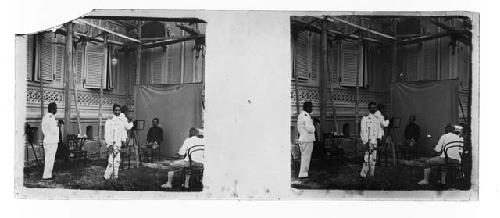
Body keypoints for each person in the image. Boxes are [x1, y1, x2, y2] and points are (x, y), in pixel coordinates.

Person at [359, 101, 389, 178]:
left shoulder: (377, 119)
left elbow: (379, 130)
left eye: (374, 107)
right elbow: (363, 131)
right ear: (369, 108)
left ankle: (372, 173)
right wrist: (365, 142)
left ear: (376, 108)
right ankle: (364, 174)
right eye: (371, 107)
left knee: (374, 159)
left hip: (374, 142)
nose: (373, 109)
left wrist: (379, 139)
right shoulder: (365, 119)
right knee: (366, 158)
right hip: (368, 142)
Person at [103, 104, 133, 180]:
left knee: (117, 161)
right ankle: (106, 177)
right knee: (111, 162)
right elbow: (107, 134)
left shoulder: (122, 119)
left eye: (119, 110)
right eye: (116, 110)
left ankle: (115, 176)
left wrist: (131, 121)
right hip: (112, 144)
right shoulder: (109, 121)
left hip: (119, 144)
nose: (117, 112)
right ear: (113, 111)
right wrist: (109, 145)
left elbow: (127, 127)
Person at [41, 102, 61, 181]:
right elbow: (53, 130)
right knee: (50, 159)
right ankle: (47, 176)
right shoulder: (51, 117)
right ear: (52, 109)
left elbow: (43, 129)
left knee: (48, 158)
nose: (56, 110)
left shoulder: (45, 117)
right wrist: (58, 126)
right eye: (55, 108)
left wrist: (47, 134)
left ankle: (48, 174)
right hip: (51, 142)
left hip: (47, 140)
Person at [296, 101, 315, 179]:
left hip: (303, 138)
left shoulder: (300, 115)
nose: (312, 108)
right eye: (311, 107)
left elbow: (300, 128)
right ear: (306, 107)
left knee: (304, 157)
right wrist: (314, 128)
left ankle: (304, 173)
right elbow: (310, 129)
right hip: (307, 140)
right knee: (306, 157)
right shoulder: (306, 116)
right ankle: (303, 174)